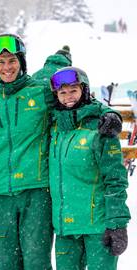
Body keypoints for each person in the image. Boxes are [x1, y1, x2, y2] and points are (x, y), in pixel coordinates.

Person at [0, 33, 122, 270]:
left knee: (36, 261)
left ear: (21, 62)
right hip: (1, 194)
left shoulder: (41, 90)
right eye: (0, 62)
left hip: (37, 191)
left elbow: (78, 99)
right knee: (5, 263)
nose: (7, 67)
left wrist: (109, 112)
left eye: (12, 60)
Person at [49, 67, 130, 270]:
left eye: (73, 90)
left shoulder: (101, 128)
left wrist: (117, 223)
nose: (68, 97)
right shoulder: (55, 128)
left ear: (84, 90)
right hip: (65, 229)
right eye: (62, 92)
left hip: (98, 227)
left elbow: (115, 178)